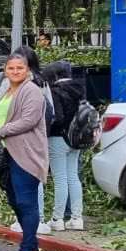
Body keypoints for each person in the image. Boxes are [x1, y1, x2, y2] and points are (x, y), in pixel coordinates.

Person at [0, 47, 49, 251]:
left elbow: (28, 120)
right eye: (11, 68)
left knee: (26, 201)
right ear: (5, 70)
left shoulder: (31, 91)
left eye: (19, 68)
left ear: (27, 69)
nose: (15, 71)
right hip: (8, 154)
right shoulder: (6, 91)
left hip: (27, 154)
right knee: (15, 200)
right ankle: (34, 250)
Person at [43, 60, 86, 232]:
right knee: (73, 177)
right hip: (76, 139)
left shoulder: (54, 92)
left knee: (59, 179)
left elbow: (57, 117)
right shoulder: (80, 90)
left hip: (57, 138)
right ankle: (77, 218)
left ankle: (57, 219)